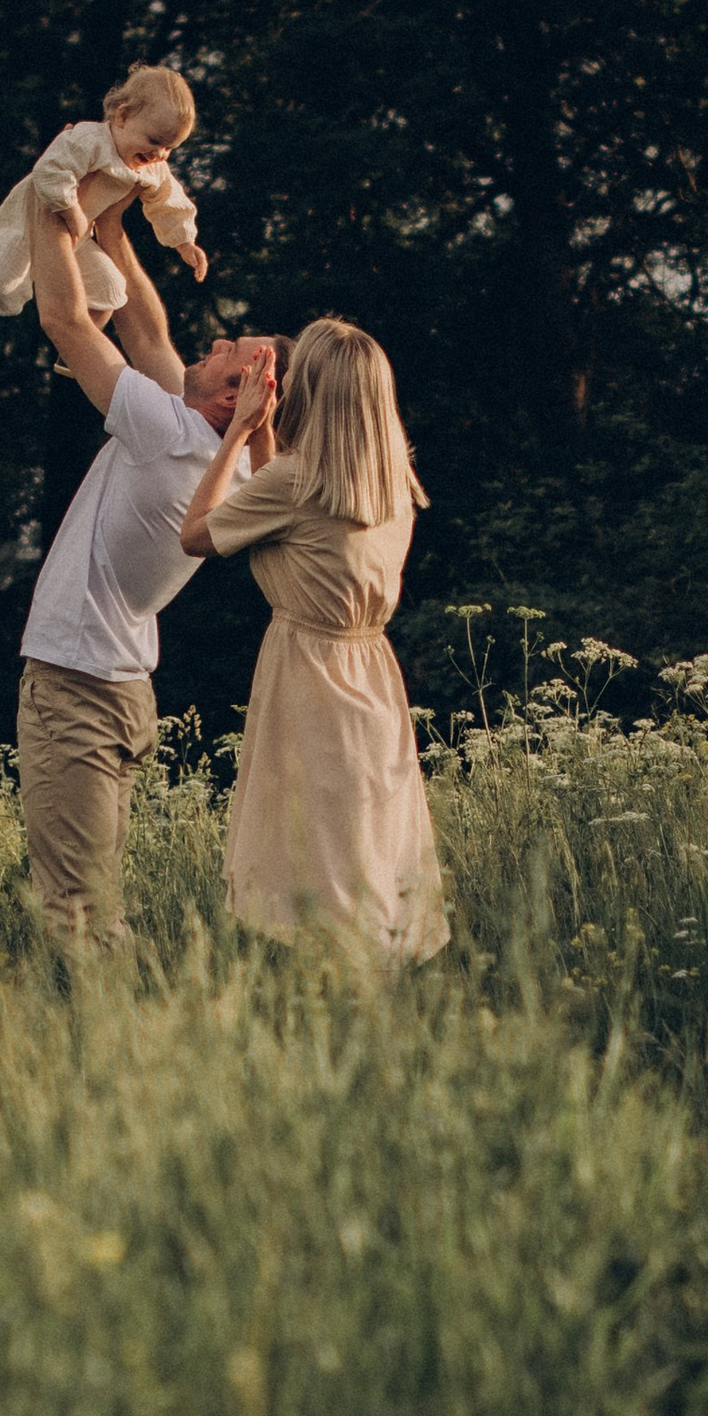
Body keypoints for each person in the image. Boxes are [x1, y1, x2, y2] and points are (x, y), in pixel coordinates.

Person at [11, 193, 273, 948]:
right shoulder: (230, 456)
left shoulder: (167, 434)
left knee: (78, 917)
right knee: (94, 904)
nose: (216, 339)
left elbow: (65, 320)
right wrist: (114, 229)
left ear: (232, 397)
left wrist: (46, 200)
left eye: (232, 351)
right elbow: (145, 326)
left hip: (79, 687)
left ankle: (112, 1049)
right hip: (120, 685)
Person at [180, 320, 448, 962]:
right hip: (370, 675)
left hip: (310, 677)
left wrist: (242, 431)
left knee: (316, 860)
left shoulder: (297, 483)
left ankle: (335, 1015)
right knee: (362, 846)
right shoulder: (388, 485)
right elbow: (287, 515)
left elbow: (195, 534)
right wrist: (268, 435)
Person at [0, 61, 206, 376]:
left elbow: (169, 202)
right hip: (27, 225)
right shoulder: (89, 140)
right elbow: (50, 171)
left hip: (74, 239)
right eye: (154, 141)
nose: (160, 155)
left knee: (111, 289)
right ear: (123, 116)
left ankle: (78, 352)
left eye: (170, 148)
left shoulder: (151, 168)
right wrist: (71, 211)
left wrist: (185, 242)